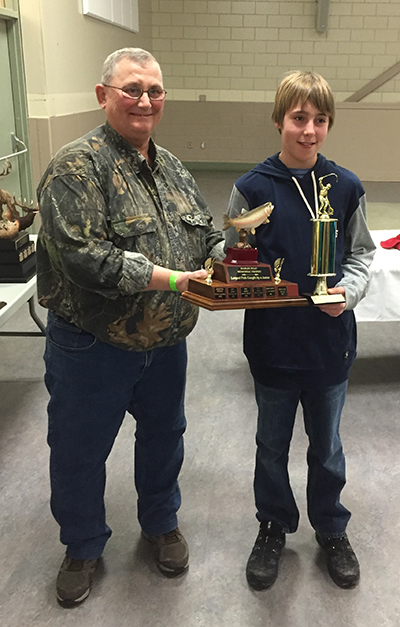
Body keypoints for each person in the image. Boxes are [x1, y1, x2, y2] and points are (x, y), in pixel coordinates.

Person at [36, 47, 225, 607]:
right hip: (92, 345)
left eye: (155, 91)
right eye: (132, 89)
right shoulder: (77, 166)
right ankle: (83, 545)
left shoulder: (171, 167)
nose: (145, 100)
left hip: (165, 344)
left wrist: (226, 255)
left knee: (165, 437)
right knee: (78, 449)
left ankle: (160, 522)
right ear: (104, 96)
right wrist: (172, 280)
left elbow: (202, 230)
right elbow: (81, 257)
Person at [224, 71, 375, 591]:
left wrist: (347, 295)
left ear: (328, 124)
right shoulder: (251, 188)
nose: (308, 130)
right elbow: (231, 256)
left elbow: (360, 256)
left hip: (329, 345)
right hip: (272, 346)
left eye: (319, 120)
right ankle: (272, 526)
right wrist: (230, 273)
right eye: (298, 118)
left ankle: (331, 527)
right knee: (270, 444)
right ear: (278, 120)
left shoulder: (347, 186)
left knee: (327, 445)